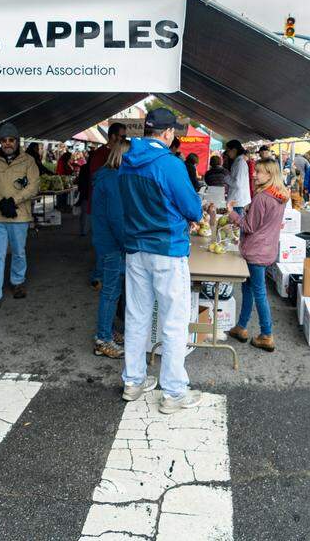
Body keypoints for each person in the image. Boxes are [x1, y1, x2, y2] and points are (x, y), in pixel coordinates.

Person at [119, 108, 208, 414]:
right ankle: (173, 392)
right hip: (167, 249)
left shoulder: (126, 162)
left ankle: (133, 380)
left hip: (135, 248)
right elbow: (193, 210)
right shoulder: (169, 164)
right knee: (173, 322)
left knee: (137, 315)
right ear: (169, 134)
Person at [226, 157, 288, 352]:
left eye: (259, 171)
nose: (254, 174)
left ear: (269, 174)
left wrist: (232, 213)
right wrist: (249, 209)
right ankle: (241, 327)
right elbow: (265, 220)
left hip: (256, 251)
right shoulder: (279, 195)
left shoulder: (262, 197)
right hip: (267, 248)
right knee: (249, 288)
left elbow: (249, 226)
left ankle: (267, 334)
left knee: (258, 292)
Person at [0, 124, 40, 312]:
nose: (7, 143)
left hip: (19, 215)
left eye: (11, 140)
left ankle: (18, 281)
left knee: (19, 251)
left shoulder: (28, 161)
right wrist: (0, 202)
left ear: (17, 141)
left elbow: (34, 185)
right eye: (3, 140)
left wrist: (13, 201)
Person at [92, 138, 130, 359]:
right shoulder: (113, 179)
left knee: (113, 291)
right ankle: (102, 339)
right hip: (112, 244)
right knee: (110, 292)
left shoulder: (106, 175)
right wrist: (129, 244)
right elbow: (117, 218)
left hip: (106, 241)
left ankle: (108, 332)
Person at [80, 123, 128, 289]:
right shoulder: (101, 154)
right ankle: (100, 277)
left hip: (110, 205)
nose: (124, 139)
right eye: (122, 136)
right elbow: (97, 180)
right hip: (101, 206)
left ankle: (105, 276)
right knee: (104, 245)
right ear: (113, 136)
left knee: (109, 245)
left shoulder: (112, 156)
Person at [224, 139, 252, 212]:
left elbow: (238, 184)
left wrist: (226, 177)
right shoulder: (238, 161)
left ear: (234, 150)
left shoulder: (240, 163)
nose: (227, 153)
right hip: (237, 201)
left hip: (238, 202)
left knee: (237, 222)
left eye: (228, 150)